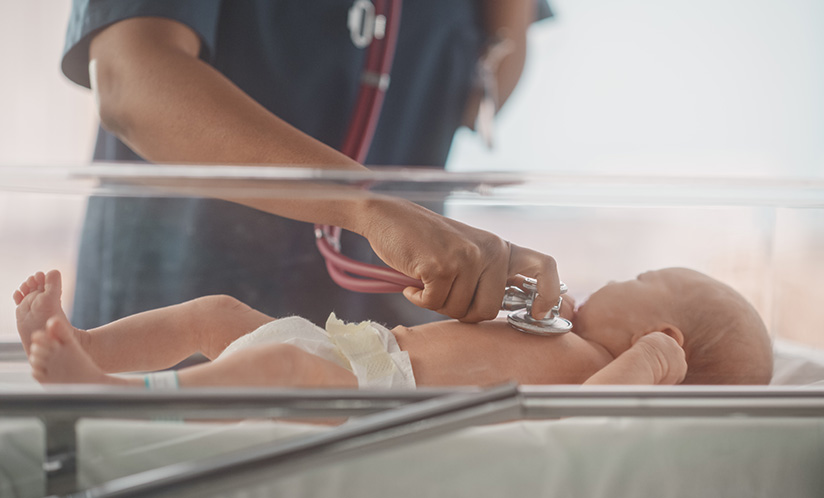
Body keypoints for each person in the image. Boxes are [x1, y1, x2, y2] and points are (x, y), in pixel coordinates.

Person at [60, 1, 556, 331]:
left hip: (389, 332)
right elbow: (132, 80)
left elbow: (485, 90)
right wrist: (365, 207)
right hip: (181, 311)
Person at [14, 268, 773, 388]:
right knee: (216, 313)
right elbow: (459, 310)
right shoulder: (555, 332)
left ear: (666, 335)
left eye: (636, 283)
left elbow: (613, 407)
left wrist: (653, 361)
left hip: (375, 388)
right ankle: (81, 346)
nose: (613, 279)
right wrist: (469, 284)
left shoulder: (598, 369)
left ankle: (120, 388)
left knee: (278, 365)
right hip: (359, 342)